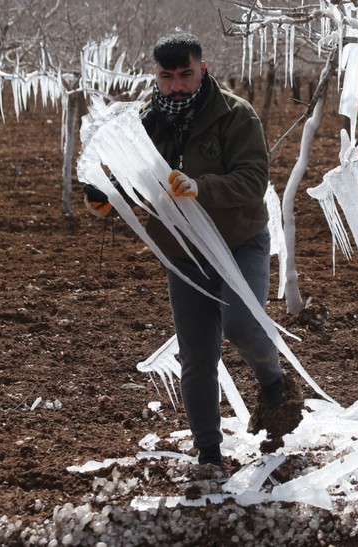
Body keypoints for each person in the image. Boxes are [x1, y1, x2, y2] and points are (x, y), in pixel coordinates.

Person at [82, 31, 302, 467]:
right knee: (197, 355)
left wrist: (202, 188)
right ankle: (209, 454)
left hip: (239, 240)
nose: (178, 84)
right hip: (183, 252)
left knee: (240, 324)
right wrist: (105, 196)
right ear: (157, 76)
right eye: (168, 77)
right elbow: (129, 178)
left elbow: (254, 182)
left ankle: (275, 383)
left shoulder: (237, 116)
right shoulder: (144, 124)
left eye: (186, 74)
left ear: (202, 69)